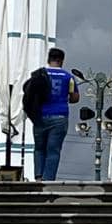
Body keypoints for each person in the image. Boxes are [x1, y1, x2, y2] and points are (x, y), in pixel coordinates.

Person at [32, 47, 78, 181]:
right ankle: (48, 179)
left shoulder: (38, 75)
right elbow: (75, 98)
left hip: (40, 116)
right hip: (59, 116)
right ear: (62, 60)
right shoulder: (68, 77)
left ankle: (38, 177)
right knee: (53, 150)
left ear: (48, 59)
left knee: (39, 148)